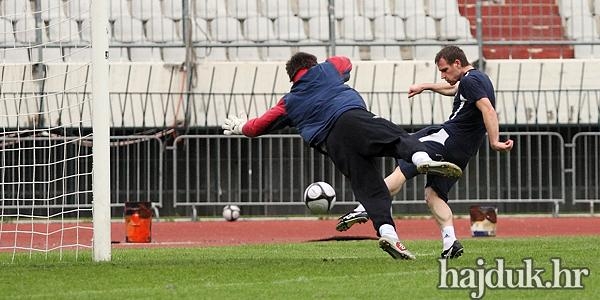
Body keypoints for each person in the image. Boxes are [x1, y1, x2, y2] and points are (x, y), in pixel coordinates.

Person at [222, 52, 462, 260]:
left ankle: (388, 234)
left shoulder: (289, 102)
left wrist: (241, 127)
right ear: (313, 64)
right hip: (352, 118)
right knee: (399, 139)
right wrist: (331, 72)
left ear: (292, 77)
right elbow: (345, 63)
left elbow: (257, 127)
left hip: (334, 144)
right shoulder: (326, 68)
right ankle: (423, 160)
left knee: (371, 189)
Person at [335, 45, 514, 259]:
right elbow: (454, 90)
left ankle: (366, 206)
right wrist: (426, 86)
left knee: (405, 149)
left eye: (445, 70)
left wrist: (494, 141)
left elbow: (488, 109)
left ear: (458, 63)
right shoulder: (478, 79)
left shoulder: (470, 81)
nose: (443, 75)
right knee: (433, 195)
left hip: (447, 137)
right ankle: (450, 242)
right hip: (462, 151)